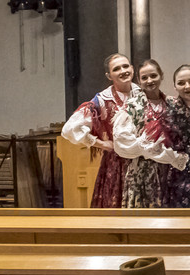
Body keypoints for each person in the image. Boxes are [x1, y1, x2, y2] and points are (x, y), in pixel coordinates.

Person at [61, 54, 143, 209]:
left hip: (144, 163)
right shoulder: (102, 100)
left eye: (126, 66)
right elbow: (70, 129)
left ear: (132, 69)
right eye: (116, 69)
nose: (123, 71)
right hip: (116, 165)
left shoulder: (144, 94)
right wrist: (101, 144)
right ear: (109, 75)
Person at [113, 59, 177, 209]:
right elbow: (122, 141)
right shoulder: (132, 106)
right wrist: (148, 148)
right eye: (144, 78)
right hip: (142, 172)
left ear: (161, 75)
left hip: (171, 171)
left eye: (153, 76)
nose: (149, 81)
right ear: (139, 81)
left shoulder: (173, 104)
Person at [151, 64, 190, 208]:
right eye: (181, 83)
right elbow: (166, 146)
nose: (187, 86)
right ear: (175, 87)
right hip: (182, 177)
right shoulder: (169, 111)